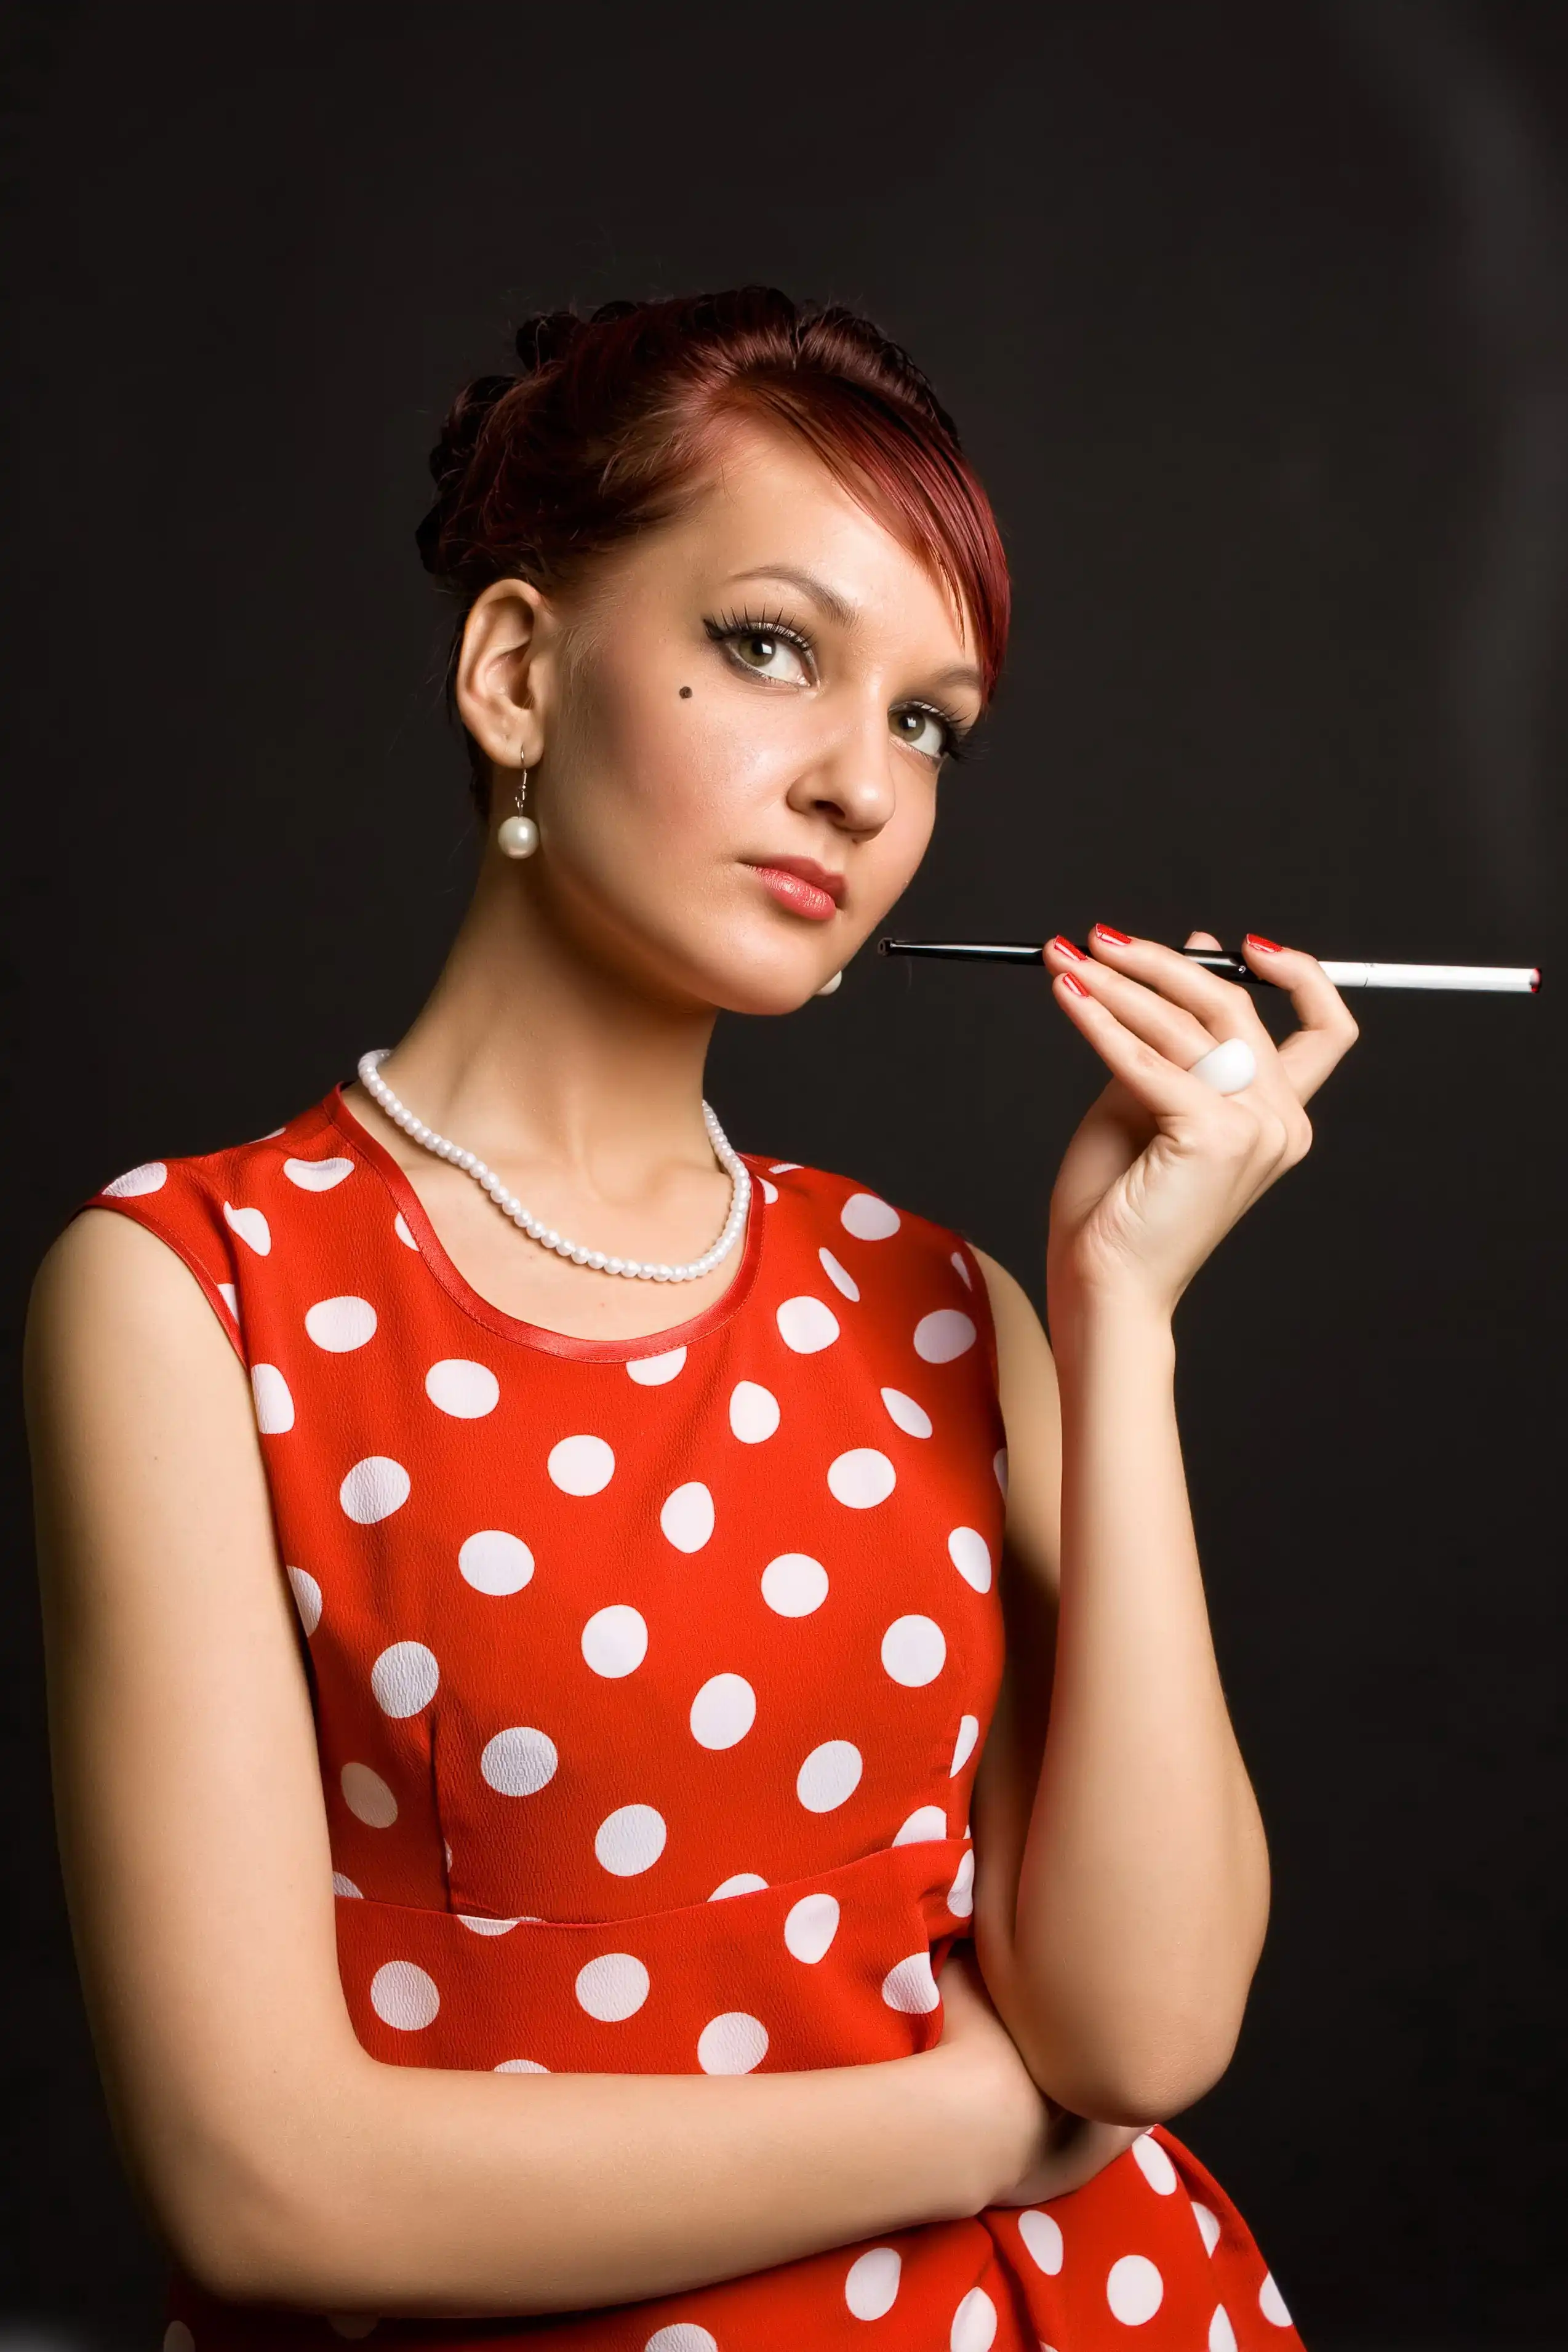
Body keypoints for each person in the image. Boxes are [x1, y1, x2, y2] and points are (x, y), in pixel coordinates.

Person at [24, 287, 1357, 2351]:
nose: (860, 787)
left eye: (925, 722)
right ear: (515, 672)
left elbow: (1147, 2029)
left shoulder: (948, 1304)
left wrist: (1122, 1318)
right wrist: (975, 2122)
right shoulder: (194, 1290)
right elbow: (263, 2183)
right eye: (770, 647)